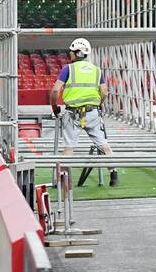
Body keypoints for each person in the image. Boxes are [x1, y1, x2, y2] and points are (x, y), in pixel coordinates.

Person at [50, 37, 118, 186]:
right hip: (92, 113)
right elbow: (104, 92)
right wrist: (99, 105)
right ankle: (113, 174)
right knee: (104, 145)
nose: (69, 53)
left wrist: (54, 107)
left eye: (72, 51)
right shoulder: (96, 70)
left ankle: (63, 180)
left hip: (72, 114)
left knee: (69, 147)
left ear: (78, 53)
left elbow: (55, 91)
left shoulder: (68, 69)